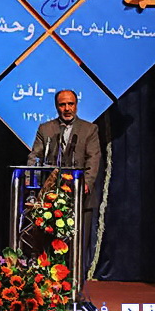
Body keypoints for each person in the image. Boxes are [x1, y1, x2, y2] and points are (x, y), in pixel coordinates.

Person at [27, 89, 101, 282]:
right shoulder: (46, 129)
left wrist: (87, 183)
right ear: (56, 107)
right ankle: (47, 286)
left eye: (70, 104)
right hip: (51, 197)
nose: (67, 108)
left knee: (77, 245)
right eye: (62, 105)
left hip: (80, 197)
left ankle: (74, 287)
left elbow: (93, 159)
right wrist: (29, 181)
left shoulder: (89, 129)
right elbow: (34, 157)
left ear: (76, 105)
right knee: (46, 244)